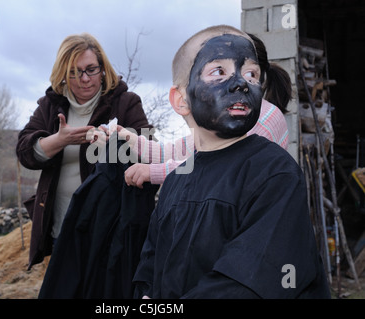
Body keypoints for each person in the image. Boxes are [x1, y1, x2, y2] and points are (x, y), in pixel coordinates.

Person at [132, 25, 331, 298]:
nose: (240, 83)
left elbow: (252, 280)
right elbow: (150, 267)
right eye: (219, 72)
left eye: (251, 74)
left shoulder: (275, 174)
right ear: (181, 100)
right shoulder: (174, 183)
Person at [16, 33, 152, 269]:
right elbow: (24, 152)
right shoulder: (50, 106)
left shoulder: (126, 102)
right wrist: (58, 140)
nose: (84, 79)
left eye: (91, 69)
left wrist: (113, 147)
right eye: (74, 72)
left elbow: (149, 152)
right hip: (62, 227)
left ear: (103, 68)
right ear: (63, 74)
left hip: (111, 228)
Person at [117, 33, 290, 188]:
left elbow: (220, 166)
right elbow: (176, 151)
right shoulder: (229, 115)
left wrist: (154, 172)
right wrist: (131, 141)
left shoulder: (265, 118)